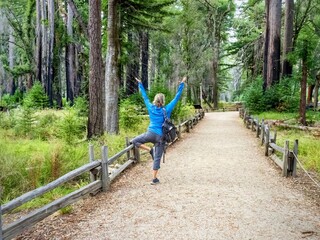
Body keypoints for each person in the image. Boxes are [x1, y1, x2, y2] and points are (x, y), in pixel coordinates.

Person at [131, 76, 186, 185]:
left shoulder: (150, 107)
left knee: (134, 141)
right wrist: (182, 84)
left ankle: (149, 149)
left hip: (150, 134)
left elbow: (144, 97)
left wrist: (140, 84)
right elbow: (177, 97)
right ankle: (154, 179)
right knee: (157, 158)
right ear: (163, 101)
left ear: (155, 100)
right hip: (161, 137)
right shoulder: (167, 109)